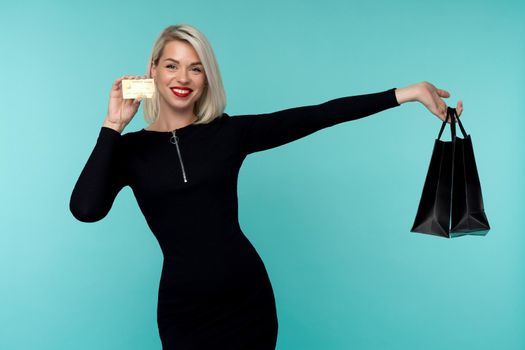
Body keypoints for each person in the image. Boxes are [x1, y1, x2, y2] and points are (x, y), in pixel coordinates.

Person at [69, 23, 464, 349]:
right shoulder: (129, 151)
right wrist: (113, 125)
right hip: (183, 309)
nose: (183, 78)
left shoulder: (228, 133)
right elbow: (86, 209)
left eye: (196, 68)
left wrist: (406, 94)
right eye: (172, 66)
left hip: (246, 300)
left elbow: (317, 115)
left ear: (207, 77)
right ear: (152, 70)